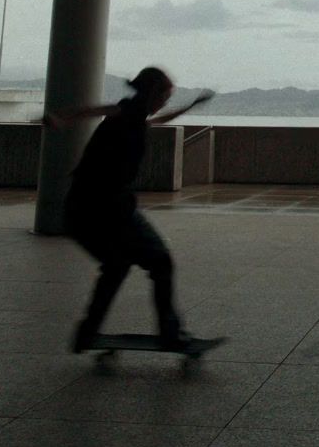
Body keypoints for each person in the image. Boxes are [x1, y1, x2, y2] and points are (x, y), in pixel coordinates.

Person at [44, 66, 218, 354]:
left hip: (86, 207)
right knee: (160, 262)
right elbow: (92, 110)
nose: (165, 101)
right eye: (165, 95)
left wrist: (190, 105)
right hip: (107, 209)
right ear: (153, 93)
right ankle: (171, 335)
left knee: (116, 264)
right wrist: (61, 118)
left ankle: (87, 333)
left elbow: (156, 117)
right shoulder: (127, 115)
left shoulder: (134, 116)